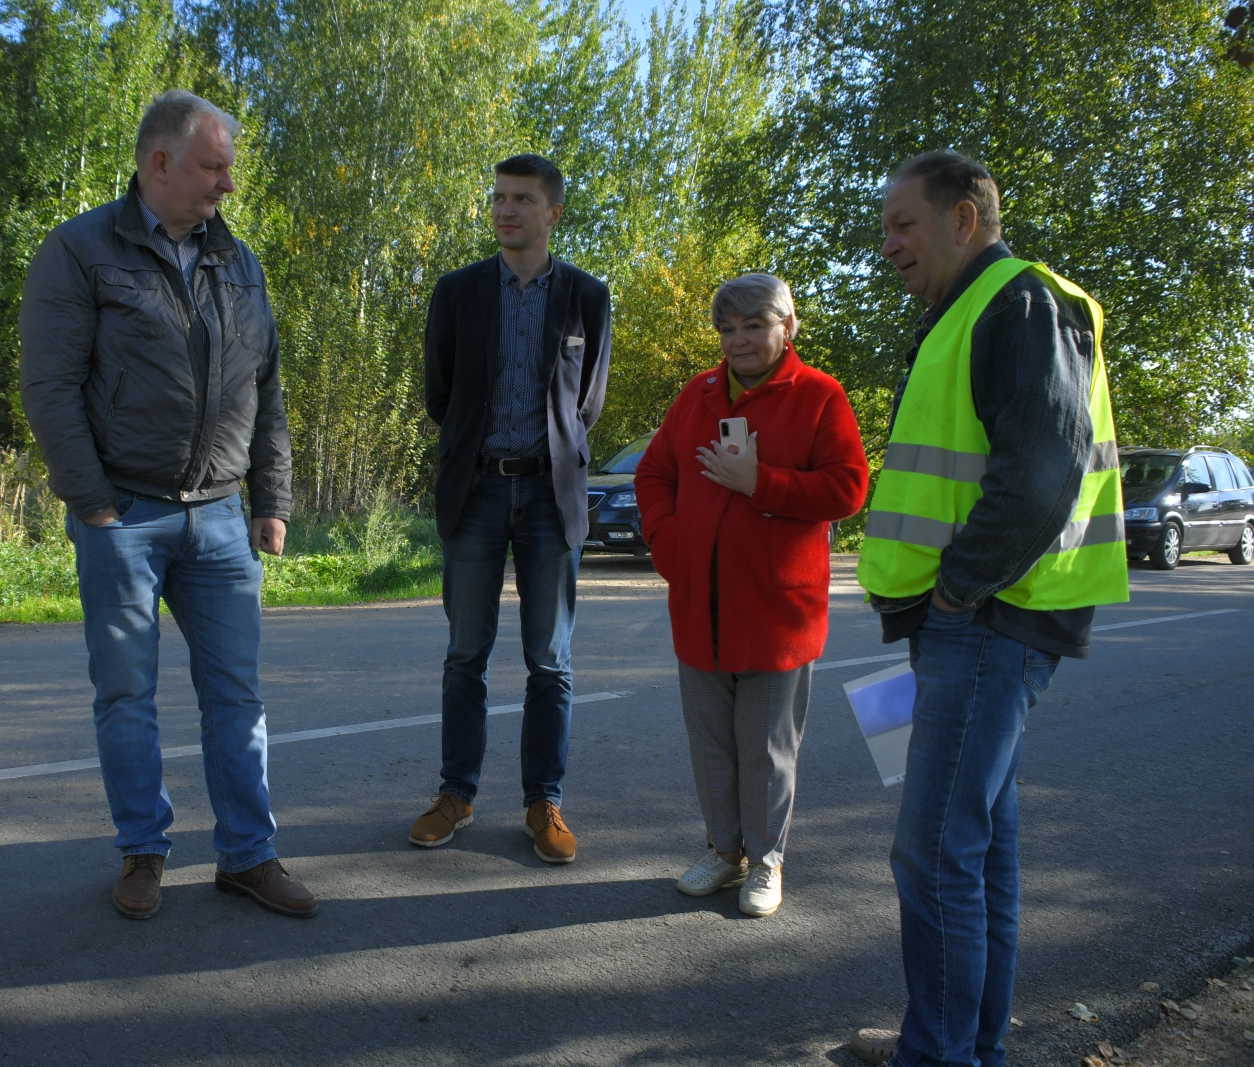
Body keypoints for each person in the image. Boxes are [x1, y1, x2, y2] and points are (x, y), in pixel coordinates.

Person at [849, 152, 1128, 1066]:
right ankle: (966, 1046)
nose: (887, 245)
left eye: (902, 225)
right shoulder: (968, 312)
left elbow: (1042, 471)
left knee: (933, 853)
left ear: (964, 219)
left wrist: (959, 587)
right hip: (968, 623)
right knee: (975, 854)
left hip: (984, 620)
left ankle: (938, 1056)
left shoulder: (1017, 302)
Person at [19, 90, 318, 921]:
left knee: (238, 696)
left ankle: (248, 857)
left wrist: (272, 497)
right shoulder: (80, 252)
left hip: (222, 518)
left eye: (228, 168)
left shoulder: (239, 262)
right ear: (159, 163)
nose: (227, 184)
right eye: (214, 167)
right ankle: (143, 852)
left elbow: (266, 387)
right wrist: (95, 502)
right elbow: (49, 388)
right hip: (126, 514)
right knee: (127, 697)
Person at [634, 273, 868, 917]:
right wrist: (668, 539)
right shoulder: (699, 395)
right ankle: (723, 851)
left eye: (754, 326)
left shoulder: (819, 396)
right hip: (700, 606)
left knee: (766, 746)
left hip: (776, 613)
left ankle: (766, 862)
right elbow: (654, 472)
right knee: (712, 743)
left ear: (786, 327)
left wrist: (760, 482)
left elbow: (849, 489)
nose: (740, 340)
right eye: (728, 328)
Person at [413, 154, 612, 864]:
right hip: (476, 490)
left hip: (548, 496)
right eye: (497, 197)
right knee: (465, 653)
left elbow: (588, 403)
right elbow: (441, 393)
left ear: (553, 211)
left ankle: (542, 801)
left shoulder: (587, 296)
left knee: (549, 661)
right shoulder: (458, 292)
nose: (504, 210)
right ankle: (455, 794)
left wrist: (545, 449)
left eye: (521, 199)